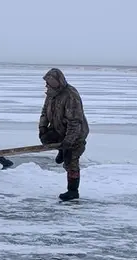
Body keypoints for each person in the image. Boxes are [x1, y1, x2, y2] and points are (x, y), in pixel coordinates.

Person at [38, 68, 89, 202]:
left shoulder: (71, 95)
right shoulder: (51, 94)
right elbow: (44, 112)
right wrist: (42, 127)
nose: (47, 85)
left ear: (58, 81)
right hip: (59, 129)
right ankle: (62, 149)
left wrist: (69, 140)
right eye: (46, 82)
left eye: (50, 82)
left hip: (76, 133)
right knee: (46, 138)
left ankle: (73, 191)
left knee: (71, 161)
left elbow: (74, 121)